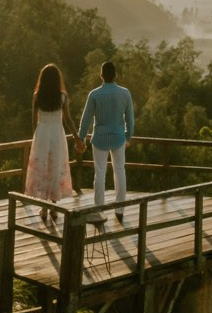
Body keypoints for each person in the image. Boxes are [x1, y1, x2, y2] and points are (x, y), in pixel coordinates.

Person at [76, 58, 135, 218]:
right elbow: (130, 118)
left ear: (101, 75)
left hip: (100, 138)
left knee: (100, 173)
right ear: (115, 75)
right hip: (118, 137)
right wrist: (129, 136)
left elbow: (85, 119)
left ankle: (98, 210)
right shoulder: (125, 93)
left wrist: (80, 138)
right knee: (120, 171)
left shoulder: (94, 94)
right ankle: (120, 210)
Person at [23, 63, 74, 221]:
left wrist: (36, 136)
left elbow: (33, 120)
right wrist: (77, 137)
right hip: (57, 134)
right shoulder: (62, 97)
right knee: (55, 166)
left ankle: (44, 209)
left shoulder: (37, 96)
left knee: (42, 167)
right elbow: (68, 120)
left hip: (42, 134)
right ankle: (53, 208)